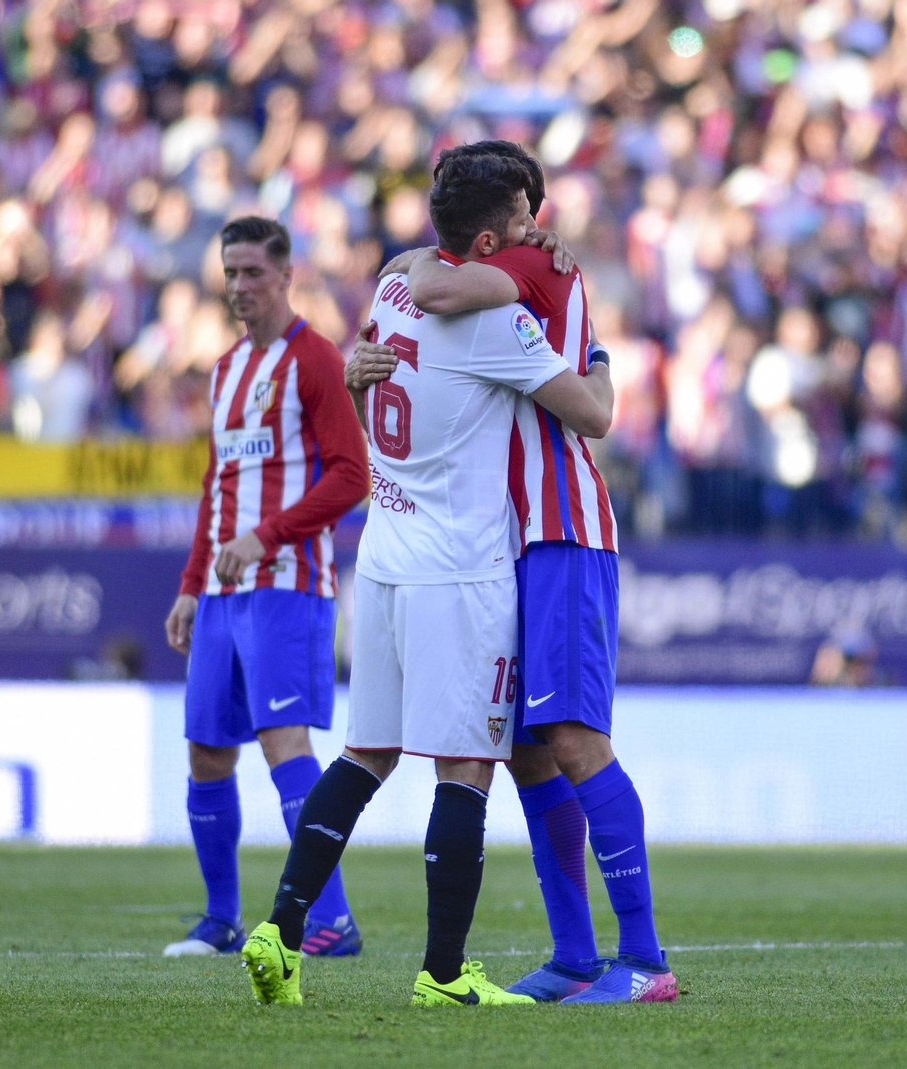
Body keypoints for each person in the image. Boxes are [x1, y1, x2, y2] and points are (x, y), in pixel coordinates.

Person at [239, 150, 615, 1009]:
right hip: (460, 568)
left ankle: (280, 930)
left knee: (365, 754)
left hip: (384, 556)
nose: (535, 231)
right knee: (466, 769)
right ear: (488, 237)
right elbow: (594, 416)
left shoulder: (395, 290)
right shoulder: (497, 322)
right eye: (521, 219)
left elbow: (383, 353)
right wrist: (593, 353)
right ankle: (444, 973)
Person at [357, 140, 678, 1004]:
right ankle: (575, 954)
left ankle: (645, 961)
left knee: (573, 739)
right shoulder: (512, 264)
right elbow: (414, 287)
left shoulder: (522, 265)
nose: (540, 224)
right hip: (502, 544)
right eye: (524, 210)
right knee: (530, 754)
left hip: (559, 528)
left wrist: (438, 254)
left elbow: (424, 284)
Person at [160, 216, 369, 959]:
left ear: (286, 275)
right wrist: (192, 583)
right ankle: (220, 918)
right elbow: (219, 485)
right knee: (207, 750)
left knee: (286, 743)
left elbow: (352, 475)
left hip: (287, 582)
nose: (240, 286)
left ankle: (332, 920)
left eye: (253, 272)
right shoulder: (223, 370)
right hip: (221, 594)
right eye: (231, 272)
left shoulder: (315, 360)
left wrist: (266, 535)